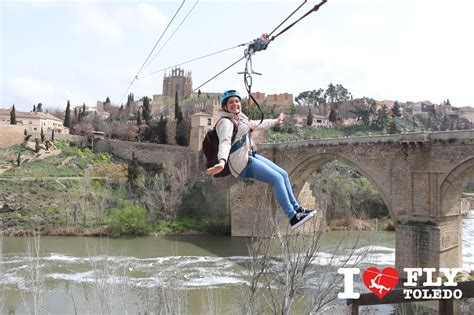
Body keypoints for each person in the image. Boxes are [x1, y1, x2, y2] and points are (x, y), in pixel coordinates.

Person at [206, 90, 316, 229]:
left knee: (283, 174)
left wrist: (276, 121)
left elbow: (257, 124)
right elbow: (225, 142)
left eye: (237, 101)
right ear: (225, 106)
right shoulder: (225, 123)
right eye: (231, 102)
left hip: (249, 156)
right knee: (276, 179)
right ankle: (292, 216)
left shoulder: (240, 118)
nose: (235, 104)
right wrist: (222, 161)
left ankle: (298, 210)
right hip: (241, 164)